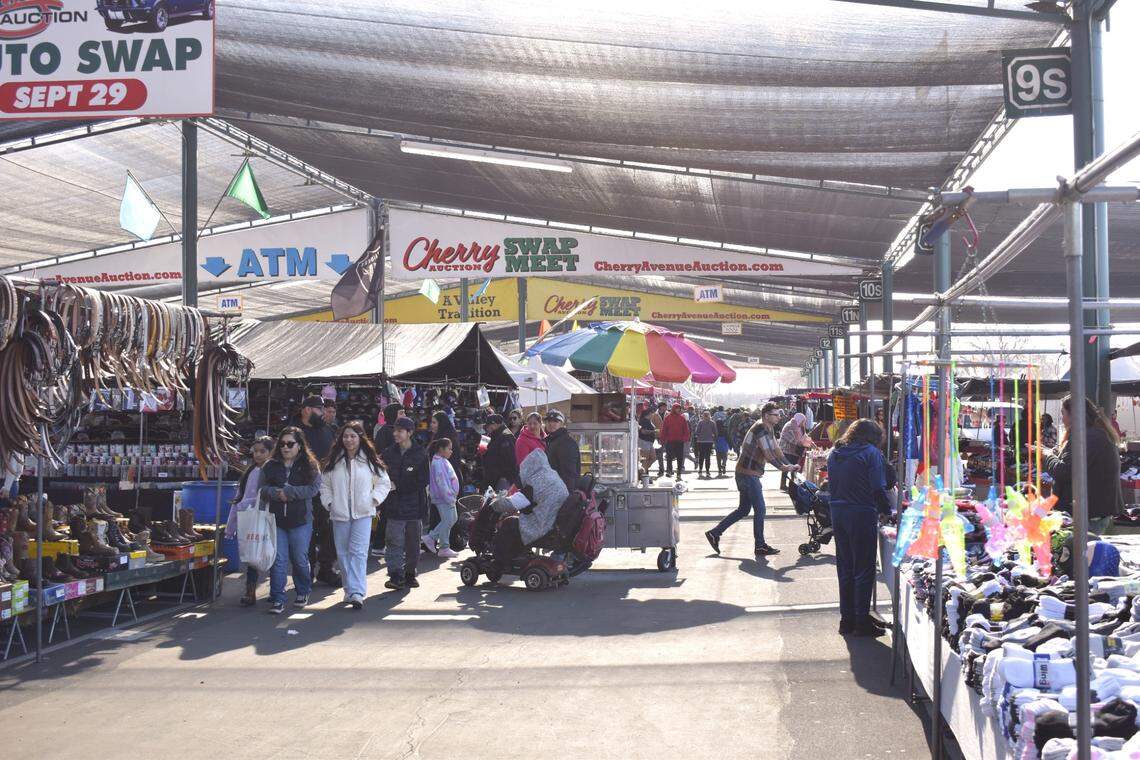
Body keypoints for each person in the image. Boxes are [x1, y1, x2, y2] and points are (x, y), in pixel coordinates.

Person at [826, 419, 892, 637]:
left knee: (845, 568)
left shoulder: (835, 453)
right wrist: (887, 511)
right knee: (864, 569)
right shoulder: (870, 453)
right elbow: (878, 487)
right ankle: (860, 621)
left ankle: (848, 619)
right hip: (861, 512)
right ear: (873, 437)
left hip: (838, 513)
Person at [705, 403, 795, 558]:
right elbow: (768, 453)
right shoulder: (760, 428)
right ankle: (760, 546)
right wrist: (783, 468)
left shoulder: (768, 428)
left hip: (746, 473)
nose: (779, 417)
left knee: (744, 509)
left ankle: (715, 533)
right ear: (767, 415)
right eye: (776, 414)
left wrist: (789, 464)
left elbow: (776, 449)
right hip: (748, 474)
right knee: (760, 509)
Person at [320, 421, 391, 610]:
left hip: (363, 514)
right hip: (339, 514)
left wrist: (374, 499)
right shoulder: (334, 462)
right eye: (346, 436)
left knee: (358, 552)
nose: (349, 440)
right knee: (342, 554)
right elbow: (324, 485)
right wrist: (329, 503)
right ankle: (349, 589)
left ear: (360, 438)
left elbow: (384, 482)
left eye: (353, 436)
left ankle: (357, 592)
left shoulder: (369, 461)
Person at [1033, 395, 1124, 535]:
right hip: (1088, 511)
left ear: (1073, 415)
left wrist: (1047, 455)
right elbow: (1073, 462)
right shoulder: (1093, 434)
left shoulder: (1086, 437)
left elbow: (1065, 472)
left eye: (1063, 413)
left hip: (1088, 514)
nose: (1062, 419)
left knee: (1075, 554)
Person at [259, 427, 322, 615]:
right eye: (283, 443)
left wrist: (290, 492)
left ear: (299, 446)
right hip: (276, 520)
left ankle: (303, 590)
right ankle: (278, 598)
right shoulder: (270, 465)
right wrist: (276, 494)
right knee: (278, 560)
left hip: (301, 520)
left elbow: (313, 489)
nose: (285, 447)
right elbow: (262, 489)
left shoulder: (310, 465)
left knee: (299, 558)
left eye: (290, 444)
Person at [224, 435, 274, 607]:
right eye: (256, 451)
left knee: (273, 554)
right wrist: (231, 526)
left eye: (263, 451)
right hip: (251, 519)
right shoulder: (249, 473)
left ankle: (275, 591)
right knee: (252, 557)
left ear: (270, 452)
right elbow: (239, 498)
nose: (258, 455)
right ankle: (250, 591)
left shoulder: (272, 470)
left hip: (269, 518)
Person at [380, 417, 430, 590]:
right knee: (393, 542)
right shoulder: (387, 453)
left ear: (409, 432)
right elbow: (380, 477)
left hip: (415, 507)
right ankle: (395, 575)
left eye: (400, 431)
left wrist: (398, 486)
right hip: (393, 507)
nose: (395, 434)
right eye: (395, 430)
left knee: (413, 543)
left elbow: (423, 480)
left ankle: (409, 574)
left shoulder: (421, 453)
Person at [299, 395, 340, 588]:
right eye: (318, 409)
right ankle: (307, 569)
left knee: (328, 530)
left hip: (327, 488)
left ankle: (326, 569)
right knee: (306, 531)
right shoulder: (295, 432)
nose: (322, 413)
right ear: (306, 409)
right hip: (304, 489)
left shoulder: (328, 429)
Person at [424, 438, 461, 558]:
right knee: (448, 520)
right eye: (449, 449)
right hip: (444, 497)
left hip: (446, 497)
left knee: (451, 519)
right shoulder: (438, 462)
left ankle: (432, 538)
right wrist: (449, 496)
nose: (451, 451)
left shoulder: (441, 460)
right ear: (441, 449)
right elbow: (442, 482)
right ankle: (443, 546)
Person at [543, 409, 581, 490]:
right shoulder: (552, 441)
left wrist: (568, 498)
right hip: (553, 490)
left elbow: (569, 474)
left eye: (555, 421)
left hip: (562, 493)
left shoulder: (565, 443)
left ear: (562, 424)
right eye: (548, 421)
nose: (551, 424)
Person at [481, 413, 518, 491]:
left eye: (488, 426)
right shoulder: (493, 435)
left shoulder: (505, 437)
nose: (487, 429)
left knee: (500, 501)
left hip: (502, 480)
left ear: (494, 424)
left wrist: (503, 478)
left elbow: (510, 461)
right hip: (492, 478)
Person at [778, 412, 813, 492]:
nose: (803, 423)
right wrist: (803, 443)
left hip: (794, 451)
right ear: (799, 420)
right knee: (787, 467)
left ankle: (792, 484)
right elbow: (792, 440)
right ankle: (783, 485)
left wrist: (810, 442)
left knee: (794, 467)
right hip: (787, 450)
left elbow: (804, 436)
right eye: (803, 421)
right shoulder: (790, 426)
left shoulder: (798, 426)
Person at [661, 403, 691, 478]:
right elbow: (664, 429)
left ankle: (679, 472)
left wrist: (685, 438)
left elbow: (686, 430)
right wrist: (662, 439)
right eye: (677, 408)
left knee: (680, 457)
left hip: (679, 441)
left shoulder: (682, 418)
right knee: (669, 457)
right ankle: (669, 471)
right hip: (670, 441)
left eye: (679, 408)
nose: (678, 409)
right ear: (673, 409)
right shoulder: (667, 418)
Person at [693, 410, 717, 479]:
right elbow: (715, 432)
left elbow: (697, 432)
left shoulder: (700, 422)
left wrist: (699, 435)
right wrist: (714, 439)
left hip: (701, 441)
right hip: (709, 442)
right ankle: (707, 471)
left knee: (701, 456)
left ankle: (701, 470)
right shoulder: (712, 423)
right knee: (707, 457)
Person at [637, 404, 659, 477]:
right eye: (651, 413)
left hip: (649, 442)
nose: (652, 415)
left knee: (653, 457)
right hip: (644, 441)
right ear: (649, 414)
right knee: (645, 459)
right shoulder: (643, 421)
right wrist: (653, 432)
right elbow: (643, 431)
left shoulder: (648, 420)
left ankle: (642, 471)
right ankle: (643, 473)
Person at [650, 401, 667, 477]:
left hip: (667, 437)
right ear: (660, 407)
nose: (665, 408)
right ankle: (661, 470)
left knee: (669, 454)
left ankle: (668, 469)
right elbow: (652, 426)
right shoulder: (654, 415)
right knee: (659, 454)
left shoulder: (668, 414)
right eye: (664, 406)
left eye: (665, 407)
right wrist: (657, 431)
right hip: (658, 437)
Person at [713, 408, 730, 478]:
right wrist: (731, 444)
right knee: (725, 457)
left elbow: (713, 437)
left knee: (718, 458)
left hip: (717, 445)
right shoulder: (725, 429)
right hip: (724, 445)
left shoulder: (715, 430)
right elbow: (728, 438)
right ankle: (724, 465)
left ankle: (719, 470)